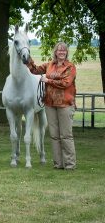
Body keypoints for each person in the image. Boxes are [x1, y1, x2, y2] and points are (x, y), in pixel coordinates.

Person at [26, 42, 77, 170]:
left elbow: (66, 83)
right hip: (50, 104)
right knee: (54, 135)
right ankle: (58, 163)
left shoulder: (70, 67)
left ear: (66, 52)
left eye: (64, 50)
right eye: (59, 50)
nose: (61, 52)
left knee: (65, 135)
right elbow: (35, 70)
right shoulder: (50, 65)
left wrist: (48, 81)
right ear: (55, 52)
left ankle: (70, 164)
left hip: (65, 104)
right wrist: (28, 58)